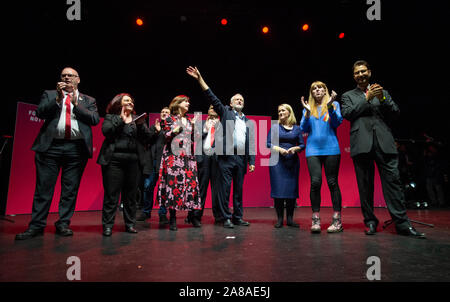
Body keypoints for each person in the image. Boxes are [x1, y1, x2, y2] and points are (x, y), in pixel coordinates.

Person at [341, 60, 425, 238]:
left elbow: (395, 113)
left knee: (394, 184)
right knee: (365, 187)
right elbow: (348, 114)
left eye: (364, 71)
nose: (361, 75)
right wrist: (367, 98)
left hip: (384, 143)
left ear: (369, 73)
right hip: (361, 144)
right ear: (354, 76)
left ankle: (402, 224)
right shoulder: (348, 95)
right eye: (357, 72)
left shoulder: (383, 93)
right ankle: (370, 222)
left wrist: (382, 98)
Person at [15, 67, 100, 240]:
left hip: (76, 149)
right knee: (43, 189)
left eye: (71, 75)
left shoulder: (88, 100)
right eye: (64, 75)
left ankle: (63, 224)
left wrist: (76, 104)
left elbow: (94, 120)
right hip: (50, 147)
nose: (67, 77)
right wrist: (58, 98)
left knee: (69, 190)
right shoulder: (50, 94)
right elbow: (40, 112)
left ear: (78, 79)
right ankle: (37, 226)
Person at [187, 66, 255, 228]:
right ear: (230, 104)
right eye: (236, 99)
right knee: (224, 190)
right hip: (226, 157)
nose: (240, 101)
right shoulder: (226, 112)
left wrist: (251, 161)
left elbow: (250, 143)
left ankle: (238, 216)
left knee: (238, 190)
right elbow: (212, 97)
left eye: (242, 100)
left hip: (241, 158)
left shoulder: (247, 122)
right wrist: (199, 79)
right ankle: (226, 217)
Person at [97, 93, 154, 236]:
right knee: (111, 195)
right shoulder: (111, 117)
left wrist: (141, 126)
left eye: (132, 101)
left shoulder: (137, 120)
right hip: (114, 161)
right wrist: (121, 120)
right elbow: (107, 132)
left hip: (133, 162)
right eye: (127, 100)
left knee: (131, 196)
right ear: (119, 103)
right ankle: (108, 226)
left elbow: (147, 139)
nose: (131, 103)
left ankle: (130, 224)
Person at [300, 81, 344, 233]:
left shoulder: (334, 104)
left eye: (320, 88)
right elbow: (303, 128)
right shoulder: (308, 108)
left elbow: (337, 122)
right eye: (314, 89)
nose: (317, 90)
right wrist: (306, 112)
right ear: (311, 93)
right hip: (313, 150)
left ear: (325, 91)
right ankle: (316, 219)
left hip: (331, 148)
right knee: (315, 182)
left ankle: (337, 220)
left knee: (332, 182)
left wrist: (330, 105)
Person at [156, 95, 202, 231]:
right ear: (177, 104)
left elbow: (195, 139)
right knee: (173, 185)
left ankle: (192, 216)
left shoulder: (189, 120)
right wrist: (175, 130)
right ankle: (173, 218)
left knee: (191, 185)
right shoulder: (169, 119)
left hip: (188, 157)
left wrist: (194, 126)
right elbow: (165, 136)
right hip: (173, 157)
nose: (188, 103)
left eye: (188, 101)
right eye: (185, 101)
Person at [267, 104, 305, 228]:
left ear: (289, 112)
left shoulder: (297, 128)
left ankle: (289, 219)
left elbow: (302, 145)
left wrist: (295, 148)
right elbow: (268, 144)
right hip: (277, 162)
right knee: (278, 190)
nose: (280, 112)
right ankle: (279, 219)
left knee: (291, 191)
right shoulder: (274, 127)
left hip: (292, 162)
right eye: (279, 111)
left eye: (283, 110)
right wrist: (279, 149)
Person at [137, 107, 171, 225]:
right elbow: (146, 140)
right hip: (152, 162)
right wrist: (156, 131)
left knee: (163, 189)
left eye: (166, 112)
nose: (164, 113)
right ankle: (146, 212)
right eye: (162, 112)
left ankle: (162, 214)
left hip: (165, 162)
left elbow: (169, 140)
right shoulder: (153, 127)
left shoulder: (171, 127)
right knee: (147, 187)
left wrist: (161, 131)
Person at [191, 105, 222, 224]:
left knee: (217, 189)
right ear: (208, 111)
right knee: (201, 189)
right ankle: (196, 216)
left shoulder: (223, 124)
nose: (213, 109)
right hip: (203, 159)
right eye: (210, 107)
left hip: (217, 160)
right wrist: (205, 130)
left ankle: (219, 216)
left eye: (215, 107)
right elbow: (194, 139)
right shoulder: (201, 123)